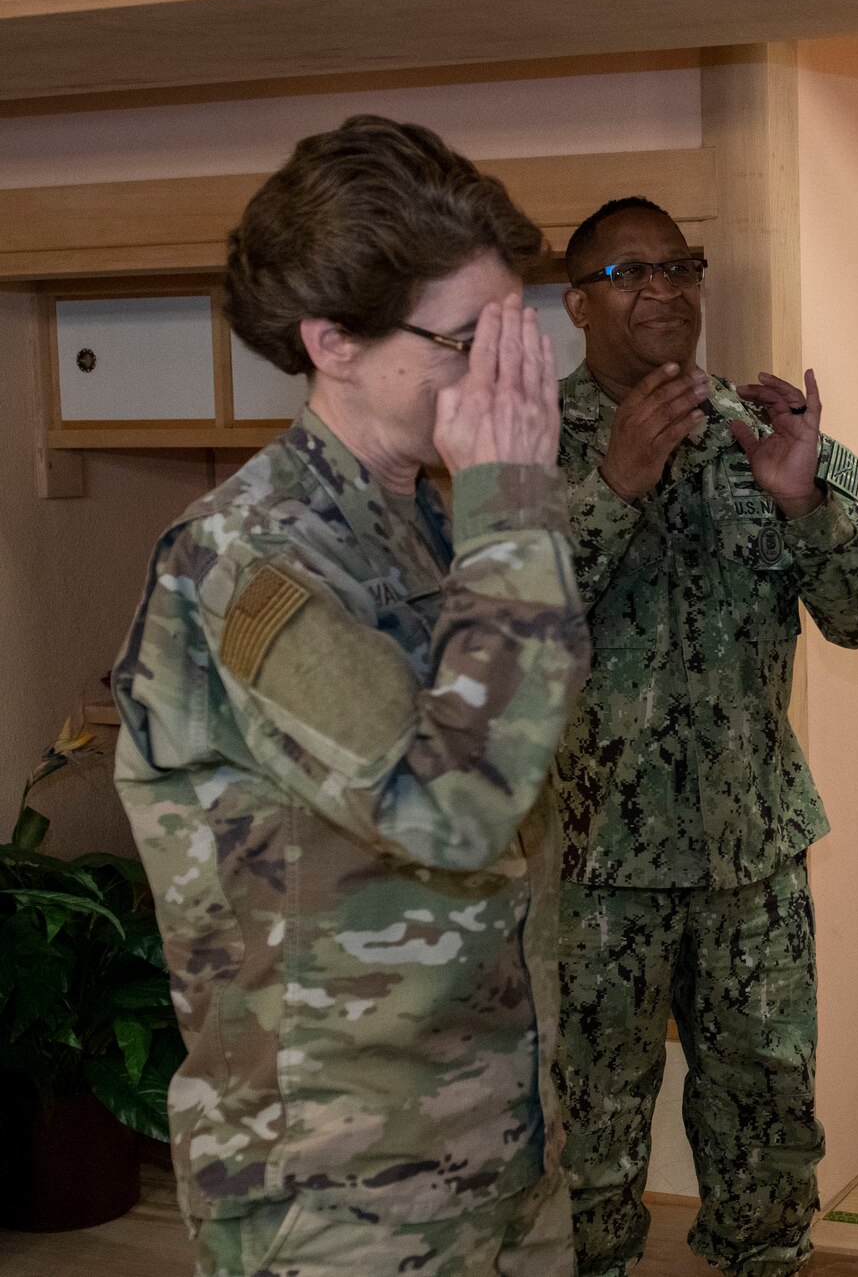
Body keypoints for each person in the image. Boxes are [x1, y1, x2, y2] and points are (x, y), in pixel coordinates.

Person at [112, 115, 591, 1277]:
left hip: (496, 1142)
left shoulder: (438, 517)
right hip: (339, 1189)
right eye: (464, 342)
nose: (504, 378)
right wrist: (516, 505)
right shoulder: (250, 562)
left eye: (514, 336)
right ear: (332, 340)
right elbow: (455, 810)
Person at [548, 196, 858, 1277]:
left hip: (750, 853)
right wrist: (611, 487)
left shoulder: (763, 429)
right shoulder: (522, 447)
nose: (663, 287)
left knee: (766, 1118)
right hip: (599, 859)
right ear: (575, 302)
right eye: (630, 271)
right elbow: (490, 633)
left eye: (679, 265)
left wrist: (809, 507)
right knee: (596, 1130)